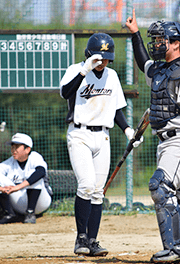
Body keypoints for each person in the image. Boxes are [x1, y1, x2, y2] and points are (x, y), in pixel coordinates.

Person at [125, 10, 180, 263]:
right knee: (176, 196)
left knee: (159, 186)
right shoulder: (159, 71)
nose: (157, 44)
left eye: (161, 40)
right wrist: (135, 33)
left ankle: (174, 249)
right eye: (155, 40)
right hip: (164, 141)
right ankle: (179, 249)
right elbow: (142, 62)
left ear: (176, 43)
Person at [59, 32, 142, 257]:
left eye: (106, 58)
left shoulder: (112, 76)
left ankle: (93, 240)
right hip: (80, 134)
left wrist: (128, 131)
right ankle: (81, 238)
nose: (102, 61)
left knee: (97, 192)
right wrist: (84, 70)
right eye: (98, 57)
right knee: (86, 184)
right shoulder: (75, 71)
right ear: (88, 54)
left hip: (102, 136)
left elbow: (116, 109)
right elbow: (66, 92)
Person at [0, 133, 51, 224]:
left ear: (27, 149)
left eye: (17, 147)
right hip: (20, 203)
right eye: (12, 147)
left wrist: (18, 187)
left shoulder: (34, 156)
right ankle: (9, 214)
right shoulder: (10, 161)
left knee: (33, 174)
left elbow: (41, 172)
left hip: (41, 203)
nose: (13, 150)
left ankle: (30, 212)